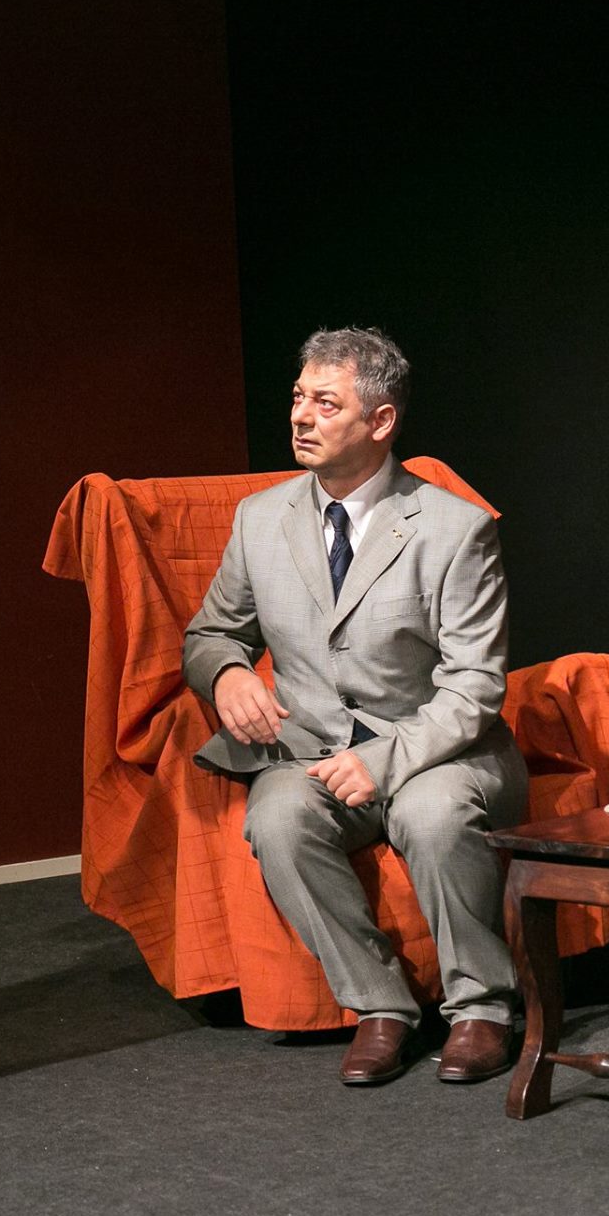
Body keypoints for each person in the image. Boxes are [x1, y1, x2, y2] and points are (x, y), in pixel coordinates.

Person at [183, 327, 527, 1086]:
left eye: (325, 402)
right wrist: (228, 674)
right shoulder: (260, 518)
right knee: (279, 817)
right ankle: (380, 1004)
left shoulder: (455, 529)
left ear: (380, 421)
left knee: (433, 815)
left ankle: (483, 1008)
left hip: (440, 749)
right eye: (298, 397)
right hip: (310, 745)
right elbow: (211, 633)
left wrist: (381, 761)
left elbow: (474, 686)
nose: (300, 415)